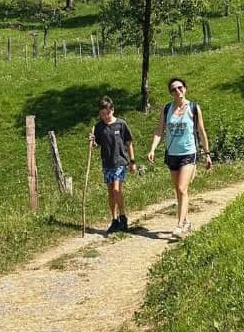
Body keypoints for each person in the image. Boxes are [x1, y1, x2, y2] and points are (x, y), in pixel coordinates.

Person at [147, 76, 212, 239]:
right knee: (178, 190)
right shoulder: (167, 109)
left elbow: (202, 132)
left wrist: (207, 154)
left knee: (183, 188)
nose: (177, 91)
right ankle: (187, 222)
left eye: (180, 87)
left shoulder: (194, 108)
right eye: (174, 89)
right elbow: (159, 130)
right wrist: (153, 149)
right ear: (170, 93)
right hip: (172, 154)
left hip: (189, 153)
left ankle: (179, 225)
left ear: (185, 88)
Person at [90, 96, 136, 235]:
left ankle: (123, 217)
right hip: (107, 163)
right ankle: (114, 219)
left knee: (117, 190)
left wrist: (132, 161)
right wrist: (92, 142)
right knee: (110, 192)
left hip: (120, 161)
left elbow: (128, 142)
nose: (105, 116)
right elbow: (97, 145)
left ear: (113, 110)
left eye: (108, 113)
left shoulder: (121, 124)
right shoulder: (98, 127)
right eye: (102, 114)